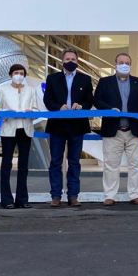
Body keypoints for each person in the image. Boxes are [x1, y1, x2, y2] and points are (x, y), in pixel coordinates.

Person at [94, 52, 138, 206]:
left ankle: (135, 194)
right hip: (113, 130)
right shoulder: (104, 82)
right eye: (121, 62)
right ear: (115, 64)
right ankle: (110, 195)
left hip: (135, 130)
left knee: (136, 166)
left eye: (127, 62)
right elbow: (97, 101)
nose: (124, 65)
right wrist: (109, 109)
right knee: (111, 165)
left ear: (130, 65)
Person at [43, 49, 94, 207]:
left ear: (77, 61)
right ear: (62, 61)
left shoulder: (85, 79)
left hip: (77, 126)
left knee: (74, 162)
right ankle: (56, 196)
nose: (70, 61)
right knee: (56, 162)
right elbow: (47, 100)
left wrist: (81, 106)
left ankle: (73, 196)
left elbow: (89, 101)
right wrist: (59, 107)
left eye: (73, 59)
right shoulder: (52, 78)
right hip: (57, 125)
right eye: (67, 59)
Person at [0, 64, 39, 209]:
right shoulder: (2, 89)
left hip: (25, 129)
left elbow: (36, 109)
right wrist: (7, 112)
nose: (18, 75)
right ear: (10, 75)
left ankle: (22, 198)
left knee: (23, 165)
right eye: (16, 73)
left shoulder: (31, 90)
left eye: (21, 73)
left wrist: (30, 112)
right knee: (6, 164)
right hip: (9, 130)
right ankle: (6, 199)